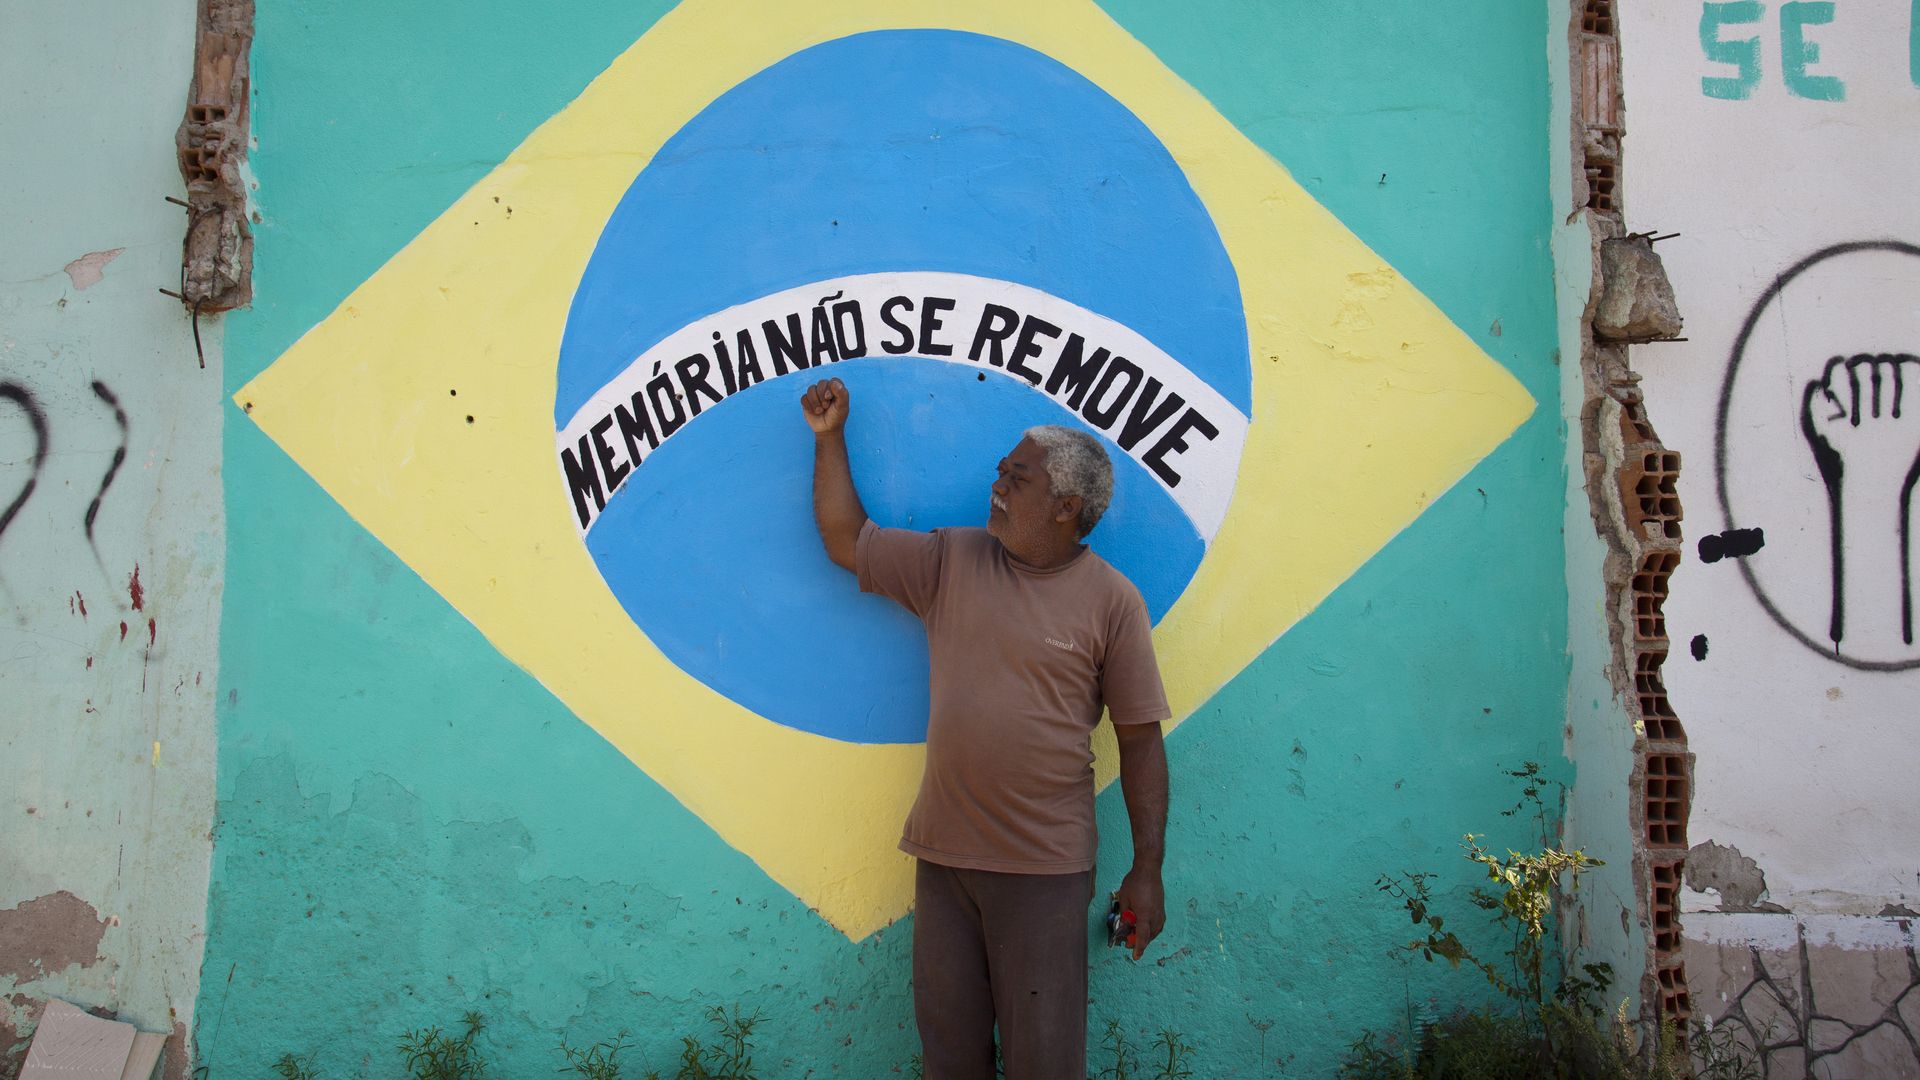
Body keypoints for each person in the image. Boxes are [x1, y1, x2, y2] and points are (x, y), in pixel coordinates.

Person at [801, 375, 1171, 1080]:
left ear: (1066, 508)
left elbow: (1141, 742)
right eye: (1002, 471)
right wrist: (829, 438)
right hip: (944, 862)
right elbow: (847, 540)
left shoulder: (1112, 604)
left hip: (1043, 872)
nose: (997, 484)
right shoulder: (952, 561)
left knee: (1044, 1065)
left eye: (1017, 478)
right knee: (952, 1061)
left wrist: (1146, 871)